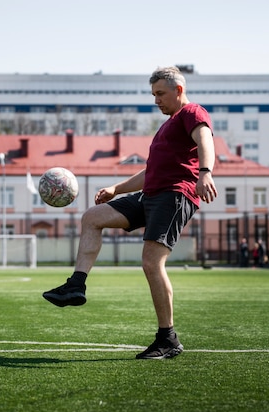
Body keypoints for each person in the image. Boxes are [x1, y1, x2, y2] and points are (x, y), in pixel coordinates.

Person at [42, 66, 218, 360]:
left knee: (151, 262)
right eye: (153, 95)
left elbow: (205, 140)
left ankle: (168, 339)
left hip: (174, 196)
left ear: (178, 90)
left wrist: (205, 172)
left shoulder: (192, 113)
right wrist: (117, 189)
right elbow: (151, 171)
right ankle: (76, 285)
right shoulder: (166, 126)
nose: (156, 100)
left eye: (160, 94)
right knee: (92, 217)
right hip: (150, 195)